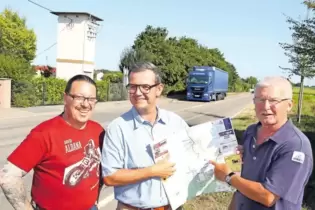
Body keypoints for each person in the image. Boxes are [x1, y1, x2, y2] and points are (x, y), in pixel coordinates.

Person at [0, 75, 105, 210]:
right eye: (78, 97)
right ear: (65, 98)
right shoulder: (44, 133)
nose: (85, 104)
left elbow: (101, 169)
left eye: (91, 99)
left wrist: (95, 199)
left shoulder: (97, 130)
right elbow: (8, 177)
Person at [210, 76, 313, 210]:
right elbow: (242, 185)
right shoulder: (251, 131)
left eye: (273, 100)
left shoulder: (296, 146)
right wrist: (234, 160)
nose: (265, 106)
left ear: (289, 105)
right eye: (260, 99)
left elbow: (268, 196)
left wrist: (228, 177)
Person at [101, 62, 189, 210]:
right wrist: (152, 171)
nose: (138, 92)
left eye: (145, 87)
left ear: (159, 89)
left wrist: (229, 153)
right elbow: (110, 177)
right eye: (133, 87)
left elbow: (195, 154)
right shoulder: (118, 128)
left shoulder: (175, 122)